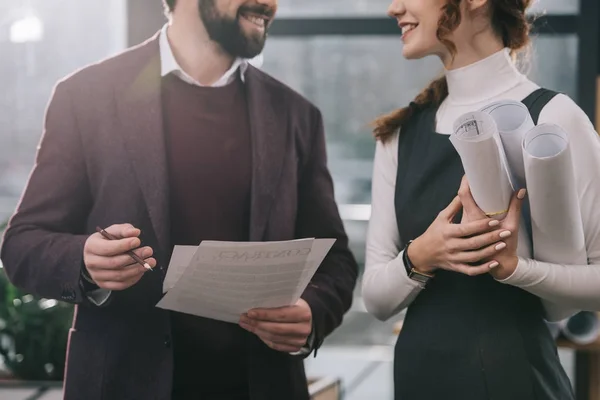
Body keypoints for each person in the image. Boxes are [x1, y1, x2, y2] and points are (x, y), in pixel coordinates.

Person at [0, 0, 358, 399]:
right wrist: (84, 260)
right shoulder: (85, 97)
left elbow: (336, 260)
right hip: (122, 385)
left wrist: (313, 310)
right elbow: (21, 244)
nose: (270, 3)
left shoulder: (296, 115)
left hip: (260, 385)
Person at [362, 0, 600, 399]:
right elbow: (375, 299)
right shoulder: (399, 135)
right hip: (418, 380)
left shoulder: (556, 118)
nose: (393, 7)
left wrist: (514, 269)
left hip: (516, 381)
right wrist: (421, 255)